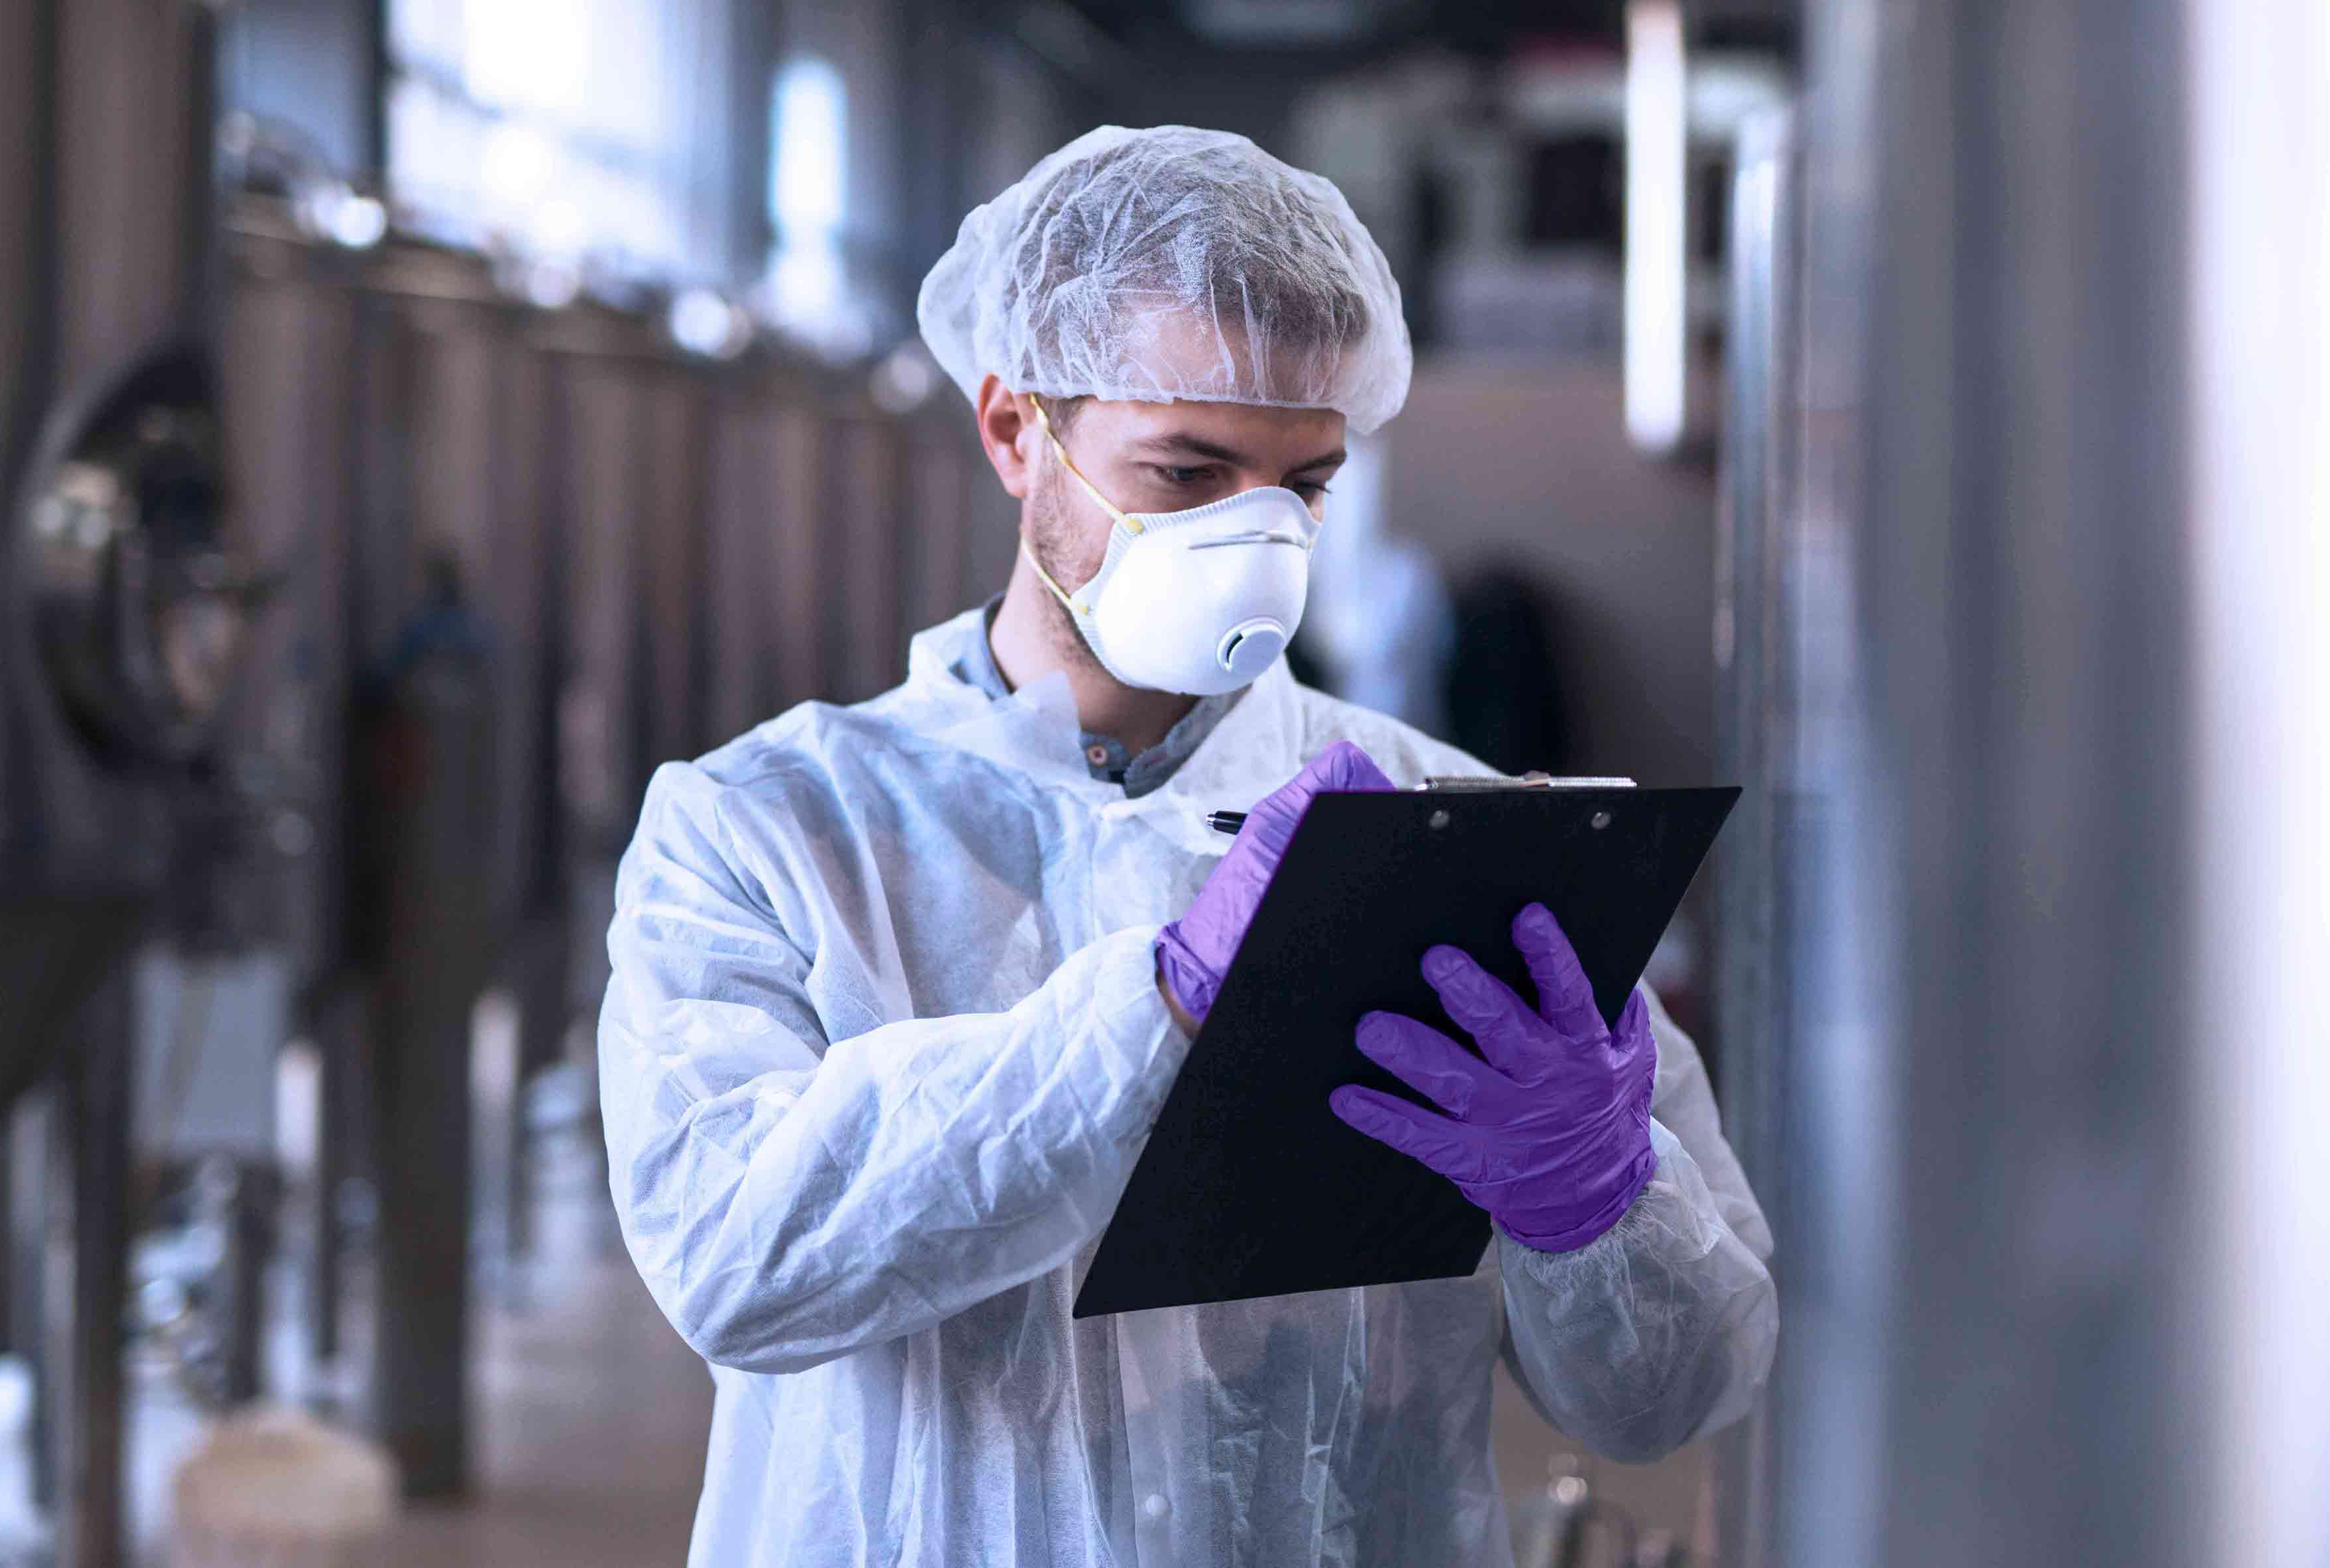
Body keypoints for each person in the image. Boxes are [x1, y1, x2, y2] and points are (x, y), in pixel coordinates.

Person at [598, 124, 1776, 1567]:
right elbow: (738, 1264)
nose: (1257, 540)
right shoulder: (772, 827)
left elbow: (1674, 1393)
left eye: (1303, 486)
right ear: (1016, 432)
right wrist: (1154, 1001)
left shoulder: (1444, 823)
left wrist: (1597, 1204)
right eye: (1184, 470)